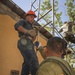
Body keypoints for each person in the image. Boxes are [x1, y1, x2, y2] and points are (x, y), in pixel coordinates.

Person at [14, 10, 39, 75]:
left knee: (27, 64)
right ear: (26, 16)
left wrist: (34, 35)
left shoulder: (32, 27)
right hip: (24, 41)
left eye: (33, 18)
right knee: (33, 60)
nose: (32, 19)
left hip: (29, 43)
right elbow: (17, 26)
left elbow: (33, 38)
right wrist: (27, 31)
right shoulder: (23, 21)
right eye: (31, 17)